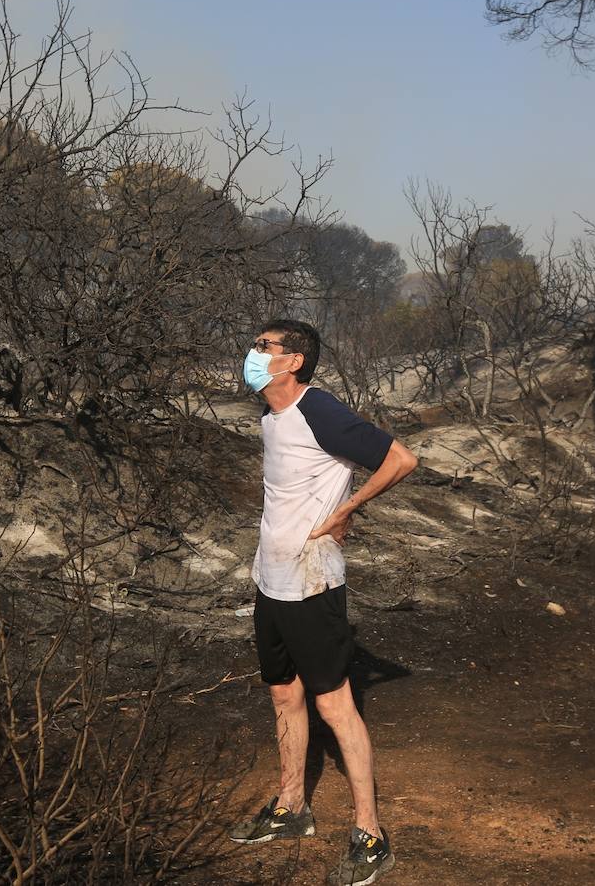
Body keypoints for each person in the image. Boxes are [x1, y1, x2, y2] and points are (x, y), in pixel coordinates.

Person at [227, 319, 417, 886]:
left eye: (264, 347)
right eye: (255, 344)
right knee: (285, 695)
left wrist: (346, 510)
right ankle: (292, 808)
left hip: (312, 584)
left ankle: (370, 833)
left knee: (335, 706)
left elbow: (401, 459)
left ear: (293, 362)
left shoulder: (320, 410)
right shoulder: (271, 414)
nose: (253, 354)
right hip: (273, 579)